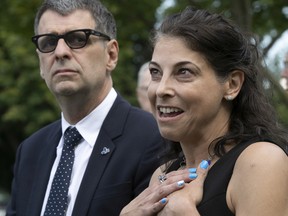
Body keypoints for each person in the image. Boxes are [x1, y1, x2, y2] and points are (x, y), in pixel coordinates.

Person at [120, 6, 288, 216]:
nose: (161, 89)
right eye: (156, 72)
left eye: (184, 72)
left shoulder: (260, 162)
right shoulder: (163, 175)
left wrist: (184, 212)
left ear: (232, 84)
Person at [6, 0, 164, 215]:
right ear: (40, 62)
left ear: (111, 55)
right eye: (48, 42)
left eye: (77, 39)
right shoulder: (30, 151)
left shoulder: (153, 139)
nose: (60, 52)